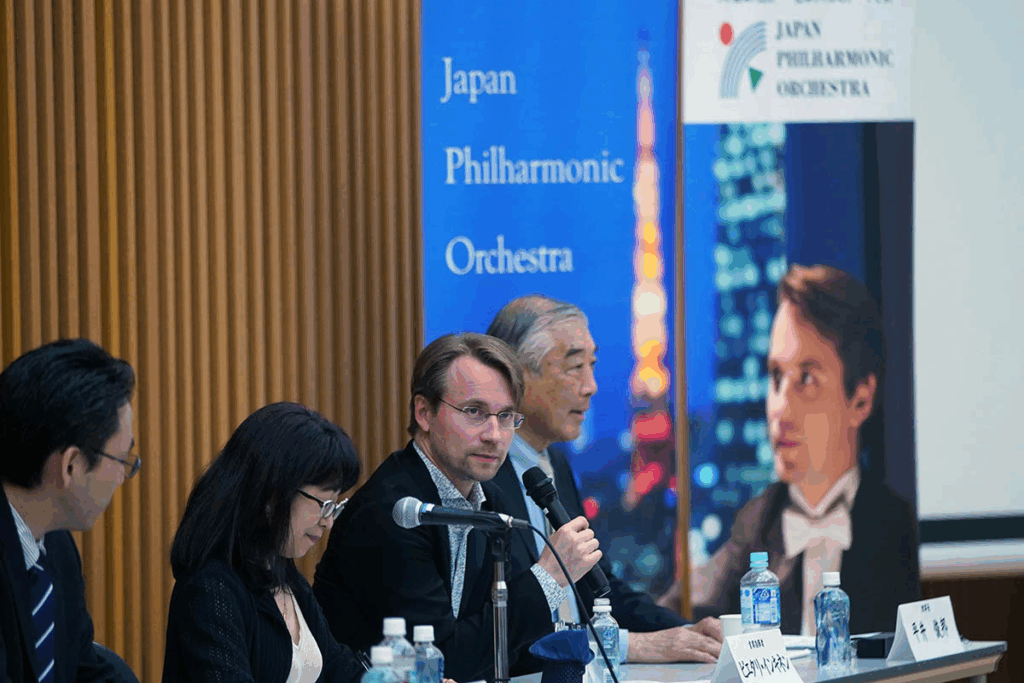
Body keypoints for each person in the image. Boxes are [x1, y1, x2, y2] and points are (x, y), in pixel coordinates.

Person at [313, 333, 602, 682]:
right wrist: (549, 576)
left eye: (506, 416)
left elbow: (503, 646)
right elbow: (441, 662)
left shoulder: (489, 500)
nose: (494, 435)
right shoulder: (394, 512)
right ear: (424, 413)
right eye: (474, 412)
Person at [658, 264, 919, 635]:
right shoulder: (757, 521)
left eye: (807, 379)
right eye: (776, 376)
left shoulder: (892, 522)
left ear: (860, 399)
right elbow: (674, 615)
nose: (779, 407)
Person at [486, 296, 722, 664]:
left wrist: (686, 633)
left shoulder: (555, 463)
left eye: (592, 365)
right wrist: (633, 646)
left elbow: (599, 588)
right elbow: (500, 630)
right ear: (516, 376)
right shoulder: (481, 476)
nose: (591, 386)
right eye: (575, 367)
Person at [163, 402, 364, 683]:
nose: (328, 522)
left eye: (335, 507)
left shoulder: (285, 575)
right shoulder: (211, 589)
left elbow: (338, 669)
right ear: (274, 493)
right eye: (324, 504)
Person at [0, 338, 138, 682]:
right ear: (71, 465)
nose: (121, 478)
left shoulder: (58, 549)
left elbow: (85, 670)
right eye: (122, 460)